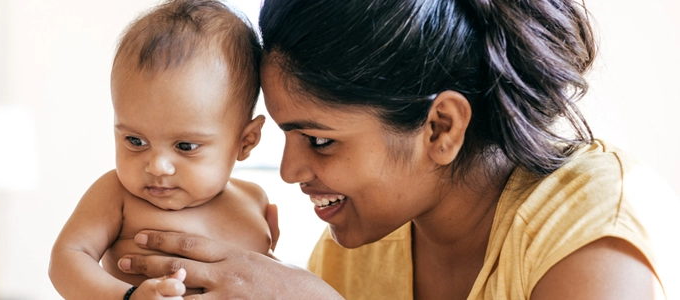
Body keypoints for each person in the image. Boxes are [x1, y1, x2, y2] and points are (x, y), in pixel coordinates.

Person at [113, 0, 680, 299]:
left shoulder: (587, 233)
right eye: (286, 135)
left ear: (440, 128)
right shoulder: (351, 251)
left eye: (319, 140)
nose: (289, 171)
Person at [46, 0, 277, 299]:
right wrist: (128, 296)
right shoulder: (116, 195)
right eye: (135, 141)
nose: (157, 166)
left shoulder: (255, 201)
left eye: (185, 146)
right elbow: (67, 257)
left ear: (245, 141)